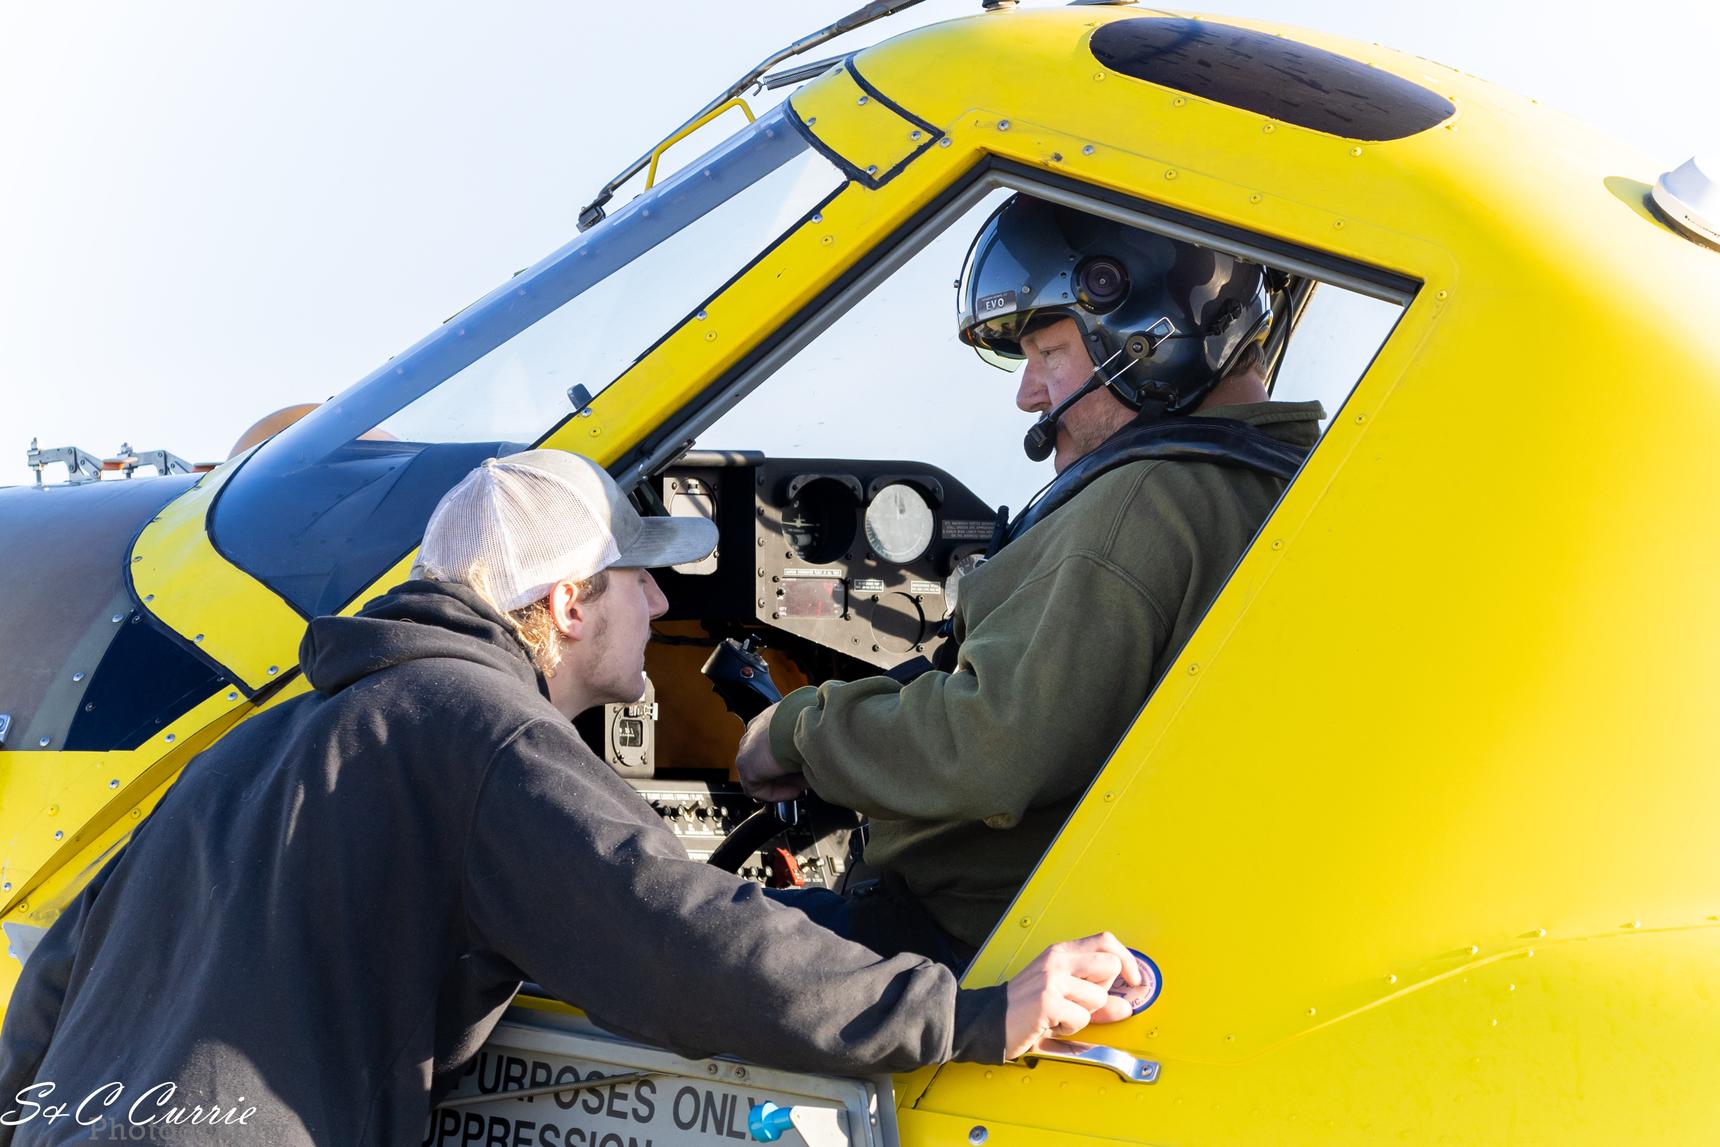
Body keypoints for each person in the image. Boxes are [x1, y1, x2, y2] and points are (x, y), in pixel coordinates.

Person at [0, 449, 1141, 1147]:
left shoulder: (266, 744)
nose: (658, 594)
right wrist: (970, 1013)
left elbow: (53, 985)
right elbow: (668, 935)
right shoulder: (478, 730)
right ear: (564, 606)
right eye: (636, 572)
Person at [737, 194, 1327, 969]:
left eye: (1049, 354)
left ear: (1149, 342)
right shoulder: (1288, 484)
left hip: (967, 945)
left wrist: (793, 733)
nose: (1029, 394)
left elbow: (986, 747)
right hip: (1100, 927)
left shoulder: (1146, 503)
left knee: (661, 939)